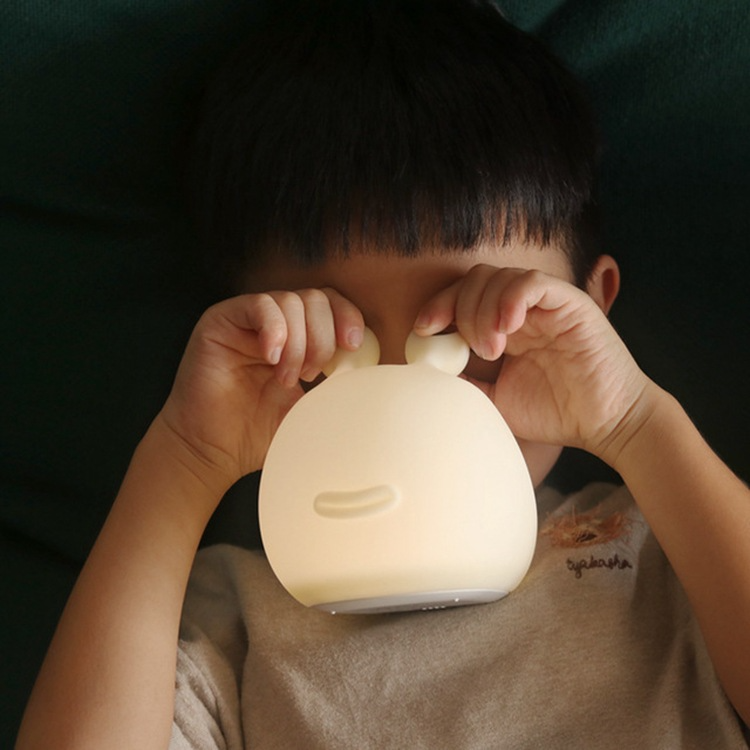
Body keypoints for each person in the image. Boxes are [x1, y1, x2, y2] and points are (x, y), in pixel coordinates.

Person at [15, 1, 750, 748]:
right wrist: (186, 458)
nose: (407, 407)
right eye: (338, 356)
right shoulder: (229, 611)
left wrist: (633, 419)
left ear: (593, 313)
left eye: (473, 344)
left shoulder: (674, 542)